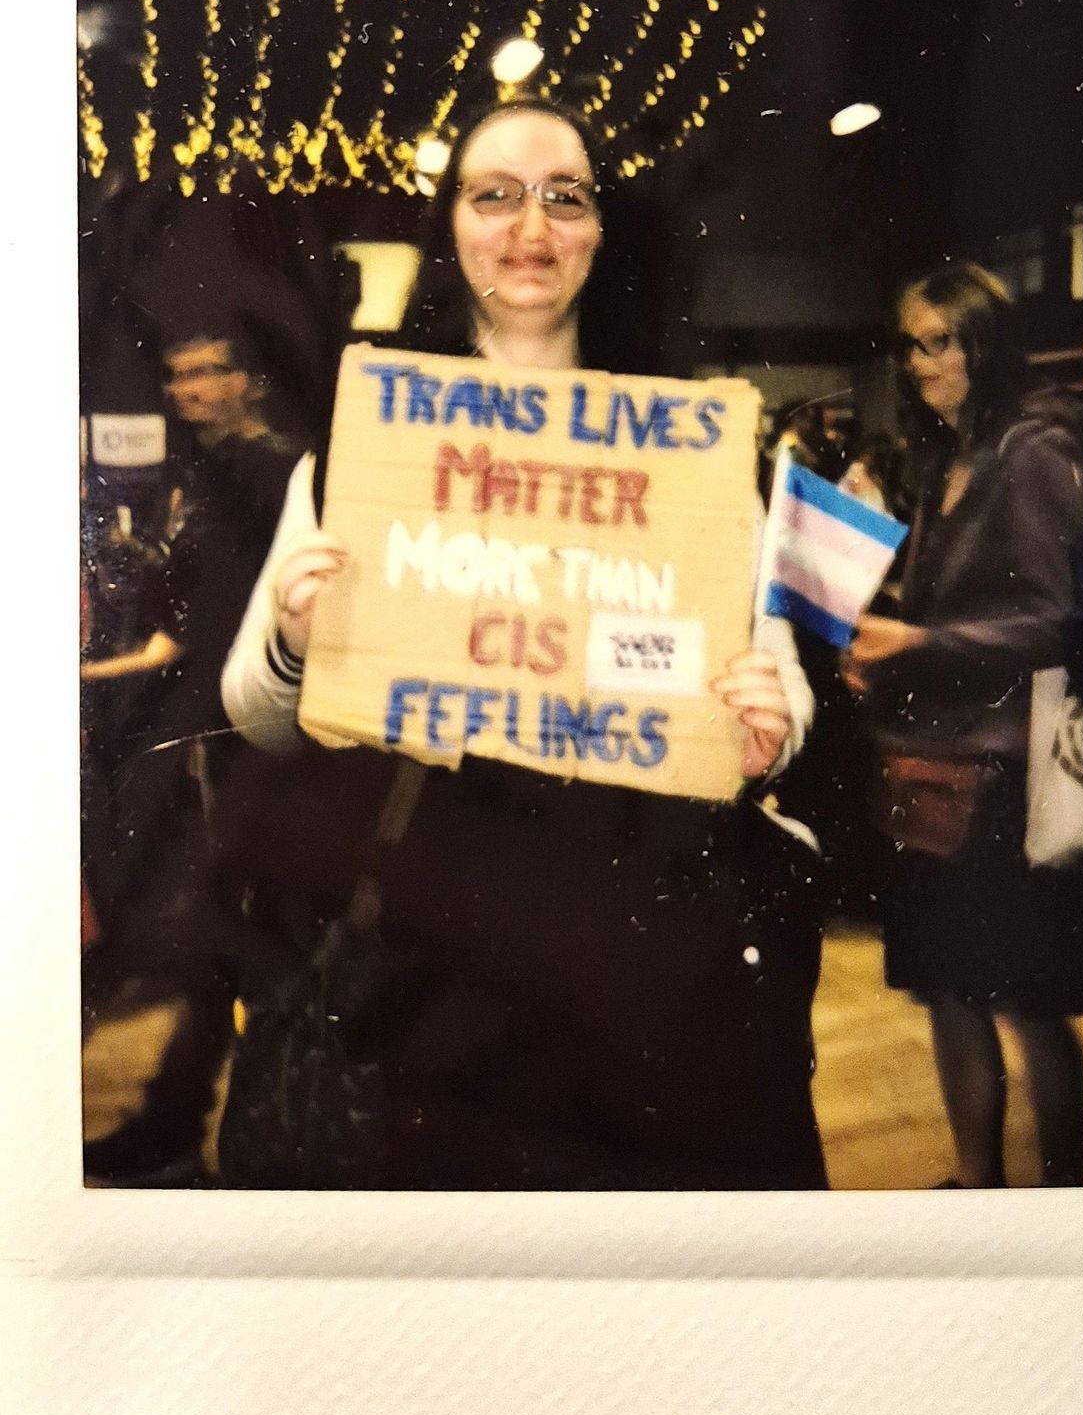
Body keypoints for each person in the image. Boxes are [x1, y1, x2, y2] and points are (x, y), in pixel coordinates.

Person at [218, 96, 827, 1191]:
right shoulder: (369, 443)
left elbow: (770, 670)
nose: (530, 227)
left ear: (602, 229)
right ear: (451, 222)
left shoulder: (687, 447)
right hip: (431, 967)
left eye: (566, 197)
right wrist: (300, 637)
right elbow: (257, 711)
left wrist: (770, 726)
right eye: (493, 194)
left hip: (639, 952)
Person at [842, 262, 1083, 1188]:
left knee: (1031, 1003)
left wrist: (914, 641)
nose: (921, 363)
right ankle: (975, 1183)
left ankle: (1071, 1200)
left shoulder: (1034, 452)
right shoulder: (945, 460)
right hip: (935, 769)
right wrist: (883, 644)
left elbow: (1060, 620)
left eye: (942, 340)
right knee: (949, 994)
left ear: (985, 344)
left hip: (1010, 780)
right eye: (911, 342)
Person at [82, 326, 299, 1184]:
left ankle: (190, 1125)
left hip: (236, 725)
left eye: (207, 372)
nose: (187, 388)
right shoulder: (216, 472)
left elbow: (196, 634)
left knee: (226, 922)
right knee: (224, 930)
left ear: (249, 379)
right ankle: (181, 1121)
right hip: (216, 719)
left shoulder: (262, 470)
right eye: (176, 376)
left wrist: (98, 667)